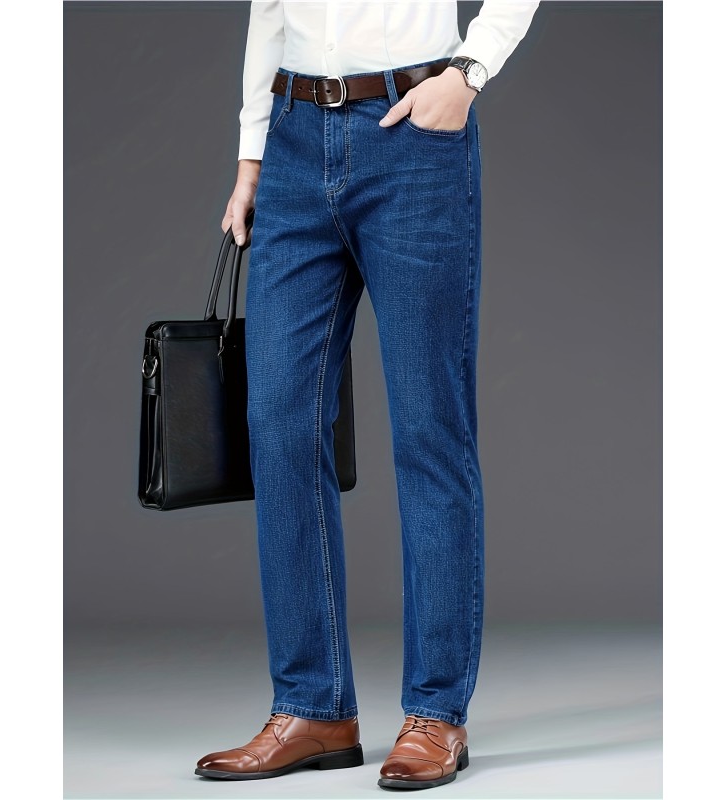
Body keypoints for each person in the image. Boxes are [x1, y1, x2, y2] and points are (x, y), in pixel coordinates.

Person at [195, 0, 539, 790]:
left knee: (429, 429)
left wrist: (469, 72)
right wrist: (251, 156)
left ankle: (436, 713)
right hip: (292, 136)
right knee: (278, 425)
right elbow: (268, 9)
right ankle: (312, 709)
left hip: (411, 132)